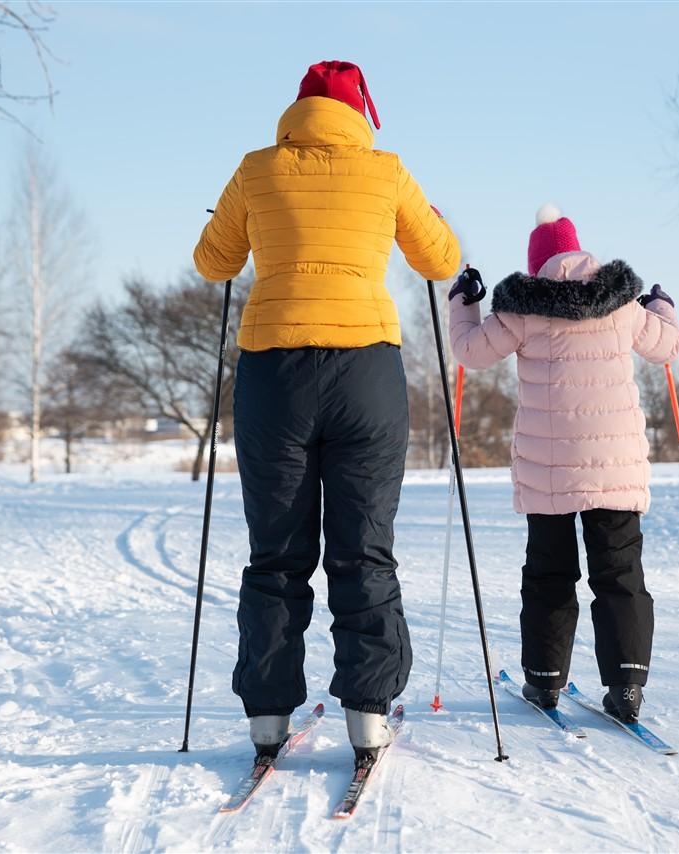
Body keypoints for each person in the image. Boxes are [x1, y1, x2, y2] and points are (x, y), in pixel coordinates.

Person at [193, 60, 460, 760]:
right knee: (363, 547)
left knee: (276, 553)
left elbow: (213, 262)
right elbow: (440, 260)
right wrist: (433, 221)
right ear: (358, 113)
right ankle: (369, 713)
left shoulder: (256, 168)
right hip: (366, 371)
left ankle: (267, 718)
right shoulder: (388, 170)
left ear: (298, 111)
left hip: (273, 371)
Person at [446, 205, 679, 722]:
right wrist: (661, 305)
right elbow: (666, 346)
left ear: (537, 266)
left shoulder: (522, 308)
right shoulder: (622, 305)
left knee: (550, 574)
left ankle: (545, 681)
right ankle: (626, 688)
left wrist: (463, 301)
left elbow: (469, 351)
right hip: (615, 469)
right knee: (620, 575)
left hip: (548, 470)